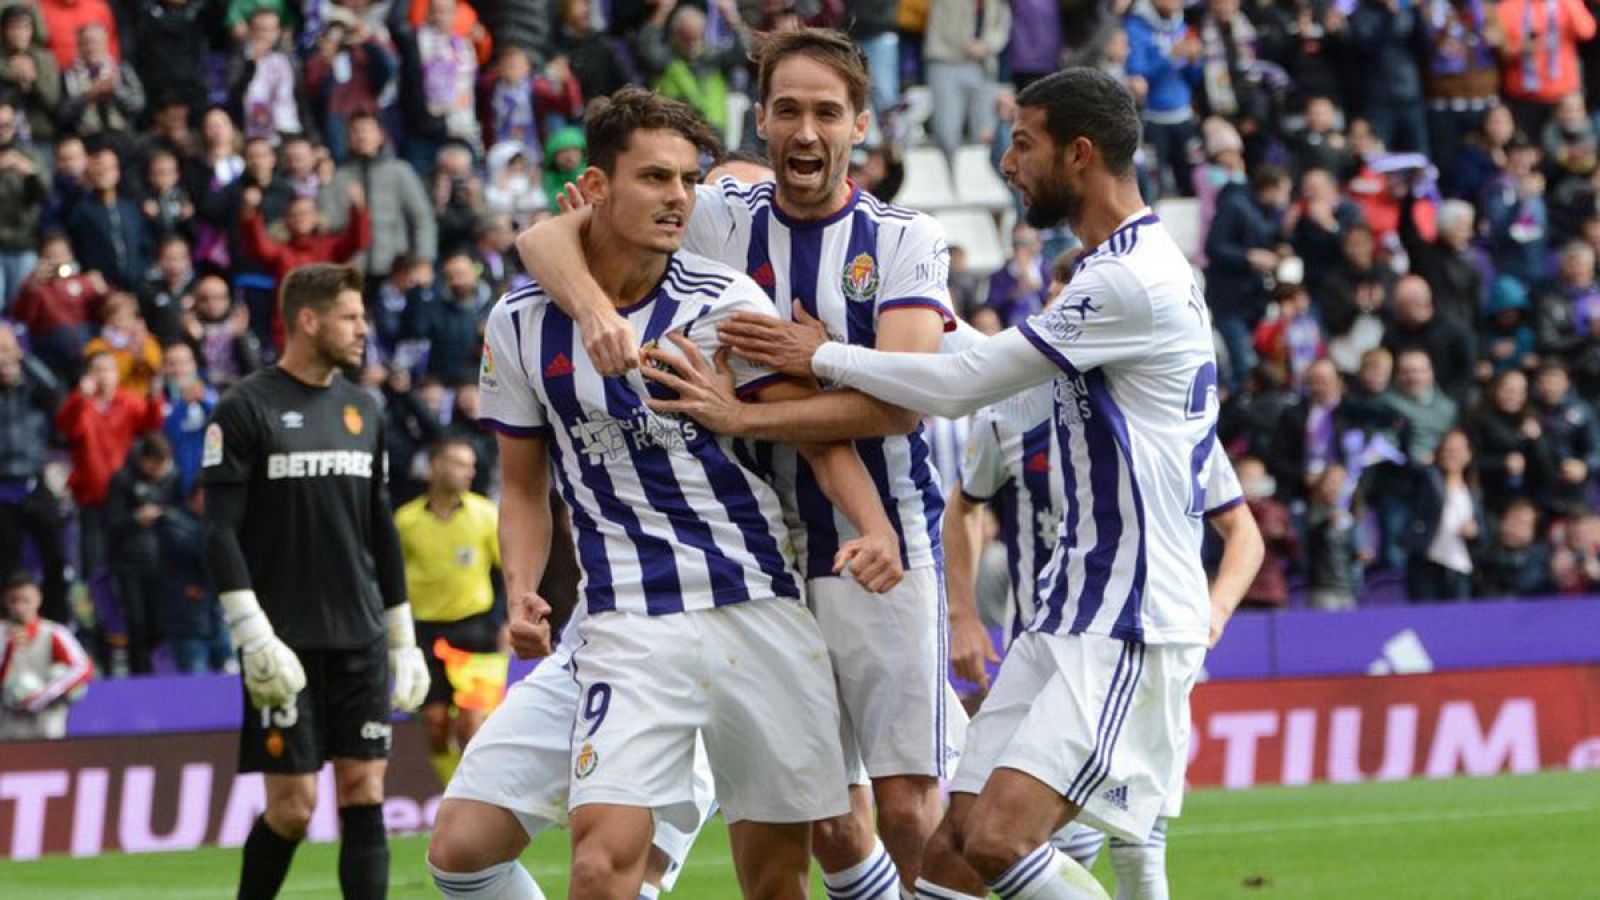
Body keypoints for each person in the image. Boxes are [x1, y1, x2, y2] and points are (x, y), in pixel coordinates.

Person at [674, 67, 1217, 900]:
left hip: (1129, 613)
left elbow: (957, 389)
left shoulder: (1131, 279)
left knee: (998, 839)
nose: (1007, 161)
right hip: (1066, 612)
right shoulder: (1109, 271)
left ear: (1078, 155)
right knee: (951, 848)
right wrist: (885, 340)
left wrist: (816, 356)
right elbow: (978, 360)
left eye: (1023, 143)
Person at [519, 30, 964, 894]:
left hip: (876, 540)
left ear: (860, 125)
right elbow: (544, 238)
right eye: (788, 110)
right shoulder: (717, 215)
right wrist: (595, 310)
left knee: (906, 803)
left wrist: (805, 366)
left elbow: (909, 397)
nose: (806, 131)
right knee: (829, 819)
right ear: (759, 122)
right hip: (760, 555)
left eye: (827, 113)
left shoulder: (905, 238)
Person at [430, 87, 900, 900]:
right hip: (628, 625)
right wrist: (521, 592)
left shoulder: (721, 303)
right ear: (597, 187)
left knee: (777, 879)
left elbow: (817, 438)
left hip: (757, 607)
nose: (680, 198)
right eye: (656, 178)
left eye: (688, 179)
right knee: (597, 865)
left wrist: (873, 526)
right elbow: (520, 482)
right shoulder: (518, 322)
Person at [201, 263, 429, 899]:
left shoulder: (365, 409)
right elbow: (218, 533)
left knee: (366, 788)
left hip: (359, 635)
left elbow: (379, 526)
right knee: (294, 808)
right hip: (283, 639)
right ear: (309, 320)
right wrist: (253, 637)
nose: (365, 330)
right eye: (352, 318)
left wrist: (402, 636)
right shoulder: (244, 408)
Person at [394, 438, 501, 784]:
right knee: (437, 726)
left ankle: (479, 796)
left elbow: (507, 571)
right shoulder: (406, 521)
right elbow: (392, 578)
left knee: (472, 725)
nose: (469, 472)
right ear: (436, 467)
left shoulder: (485, 514)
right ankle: (452, 793)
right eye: (460, 464)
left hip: (476, 630)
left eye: (471, 465)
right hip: (425, 632)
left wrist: (507, 621)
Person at [0, 324, 69, 625]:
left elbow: (54, 389)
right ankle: (6, 627)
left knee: (55, 555)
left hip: (33, 478)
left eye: (7, 353)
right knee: (5, 563)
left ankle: (56, 622)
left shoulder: (31, 389)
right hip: (2, 484)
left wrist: (22, 357)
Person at [0, 571, 92, 740]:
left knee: (61, 672)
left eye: (26, 601)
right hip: (9, 719)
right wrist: (8, 650)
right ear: (6, 602)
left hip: (48, 718)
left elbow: (83, 667)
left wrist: (44, 695)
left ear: (38, 599)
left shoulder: (54, 632)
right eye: (14, 601)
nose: (20, 608)